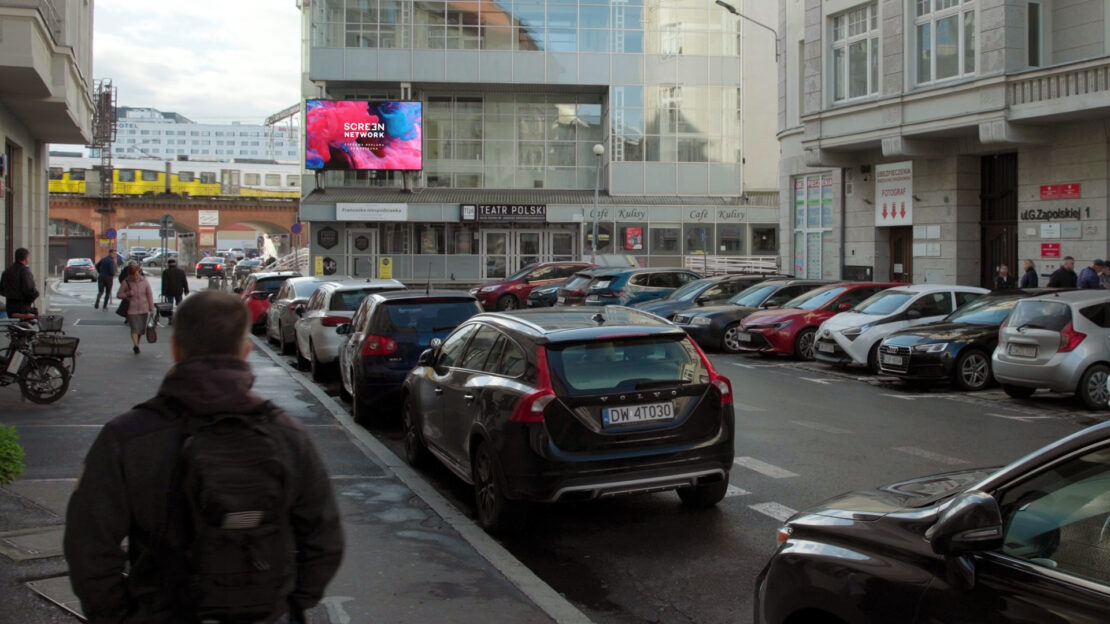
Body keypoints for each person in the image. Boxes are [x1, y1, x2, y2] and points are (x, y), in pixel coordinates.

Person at [63, 290, 344, 624]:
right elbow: (324, 541)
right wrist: (288, 604)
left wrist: (120, 616)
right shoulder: (287, 434)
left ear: (175, 348)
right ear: (245, 350)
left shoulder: (127, 437)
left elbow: (88, 548)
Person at [117, 262, 155, 354]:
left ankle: (137, 343)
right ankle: (136, 345)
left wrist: (151, 308)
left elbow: (149, 295)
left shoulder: (145, 282)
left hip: (143, 309)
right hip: (131, 309)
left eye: (137, 274)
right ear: (130, 275)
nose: (136, 277)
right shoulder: (125, 282)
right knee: (134, 328)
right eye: (134, 275)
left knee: (141, 330)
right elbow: (119, 295)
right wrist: (127, 294)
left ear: (139, 272)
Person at [0, 247, 39, 317]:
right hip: (23, 307)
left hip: (10, 306)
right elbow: (29, 290)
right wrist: (35, 294)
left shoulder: (6, 272)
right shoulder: (25, 271)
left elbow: (2, 290)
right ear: (25, 258)